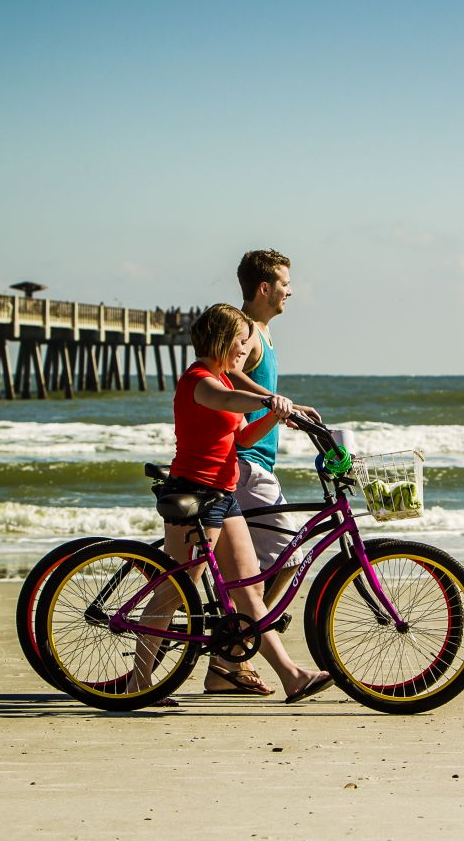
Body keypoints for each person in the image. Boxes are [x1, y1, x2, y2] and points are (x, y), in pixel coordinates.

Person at [129, 303, 332, 705]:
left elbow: (242, 439)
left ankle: (292, 677)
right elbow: (230, 400)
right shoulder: (199, 381)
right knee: (175, 590)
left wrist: (276, 416)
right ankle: (139, 682)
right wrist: (270, 399)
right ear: (223, 340)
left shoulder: (221, 381)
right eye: (240, 342)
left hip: (224, 496)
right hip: (194, 497)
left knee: (248, 592)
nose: (244, 351)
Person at [199, 249, 319, 697]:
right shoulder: (247, 331)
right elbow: (228, 369)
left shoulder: (263, 331)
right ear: (264, 287)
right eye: (285, 282)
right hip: (247, 465)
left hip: (256, 462)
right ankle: (234, 651)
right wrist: (272, 400)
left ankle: (233, 651)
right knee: (288, 554)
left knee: (258, 565)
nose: (291, 290)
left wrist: (282, 407)